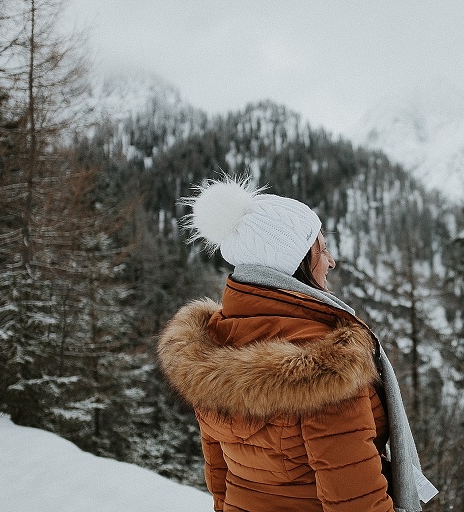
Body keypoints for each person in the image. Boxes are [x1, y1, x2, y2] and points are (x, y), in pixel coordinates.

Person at [157, 177, 435, 512]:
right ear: (295, 262)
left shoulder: (214, 343)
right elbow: (355, 500)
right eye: (321, 249)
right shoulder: (325, 361)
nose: (331, 261)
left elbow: (219, 475)